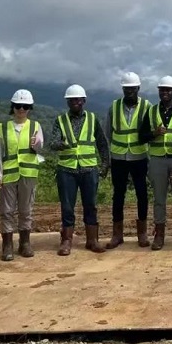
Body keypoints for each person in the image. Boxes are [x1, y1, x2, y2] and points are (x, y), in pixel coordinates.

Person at [48, 84, 111, 255]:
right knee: (67, 206)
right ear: (67, 102)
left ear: (84, 101)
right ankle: (66, 240)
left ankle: (92, 240)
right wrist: (61, 144)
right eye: (72, 100)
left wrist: (105, 164)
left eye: (78, 100)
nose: (75, 102)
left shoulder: (92, 119)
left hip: (89, 169)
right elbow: (52, 143)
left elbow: (102, 143)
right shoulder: (61, 120)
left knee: (90, 205)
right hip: (67, 170)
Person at [139, 76, 172, 251]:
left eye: (168, 90)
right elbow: (142, 136)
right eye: (162, 89)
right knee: (159, 199)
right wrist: (154, 133)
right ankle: (159, 236)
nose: (165, 93)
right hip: (158, 162)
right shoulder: (152, 111)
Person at [0, 89, 44, 261]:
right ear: (13, 107)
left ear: (29, 108)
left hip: (28, 174)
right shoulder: (3, 127)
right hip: (9, 174)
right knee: (6, 211)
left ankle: (25, 243)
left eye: (25, 106)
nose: (21, 109)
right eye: (18, 106)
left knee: (26, 210)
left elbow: (39, 148)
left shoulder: (35, 126)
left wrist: (36, 144)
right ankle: (7, 245)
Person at [105, 71, 151, 249]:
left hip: (139, 156)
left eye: (132, 88)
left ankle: (142, 233)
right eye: (126, 88)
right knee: (118, 195)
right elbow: (108, 132)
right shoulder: (114, 107)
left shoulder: (146, 106)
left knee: (142, 194)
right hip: (119, 157)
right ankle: (117, 234)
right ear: (122, 89)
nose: (129, 91)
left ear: (138, 88)